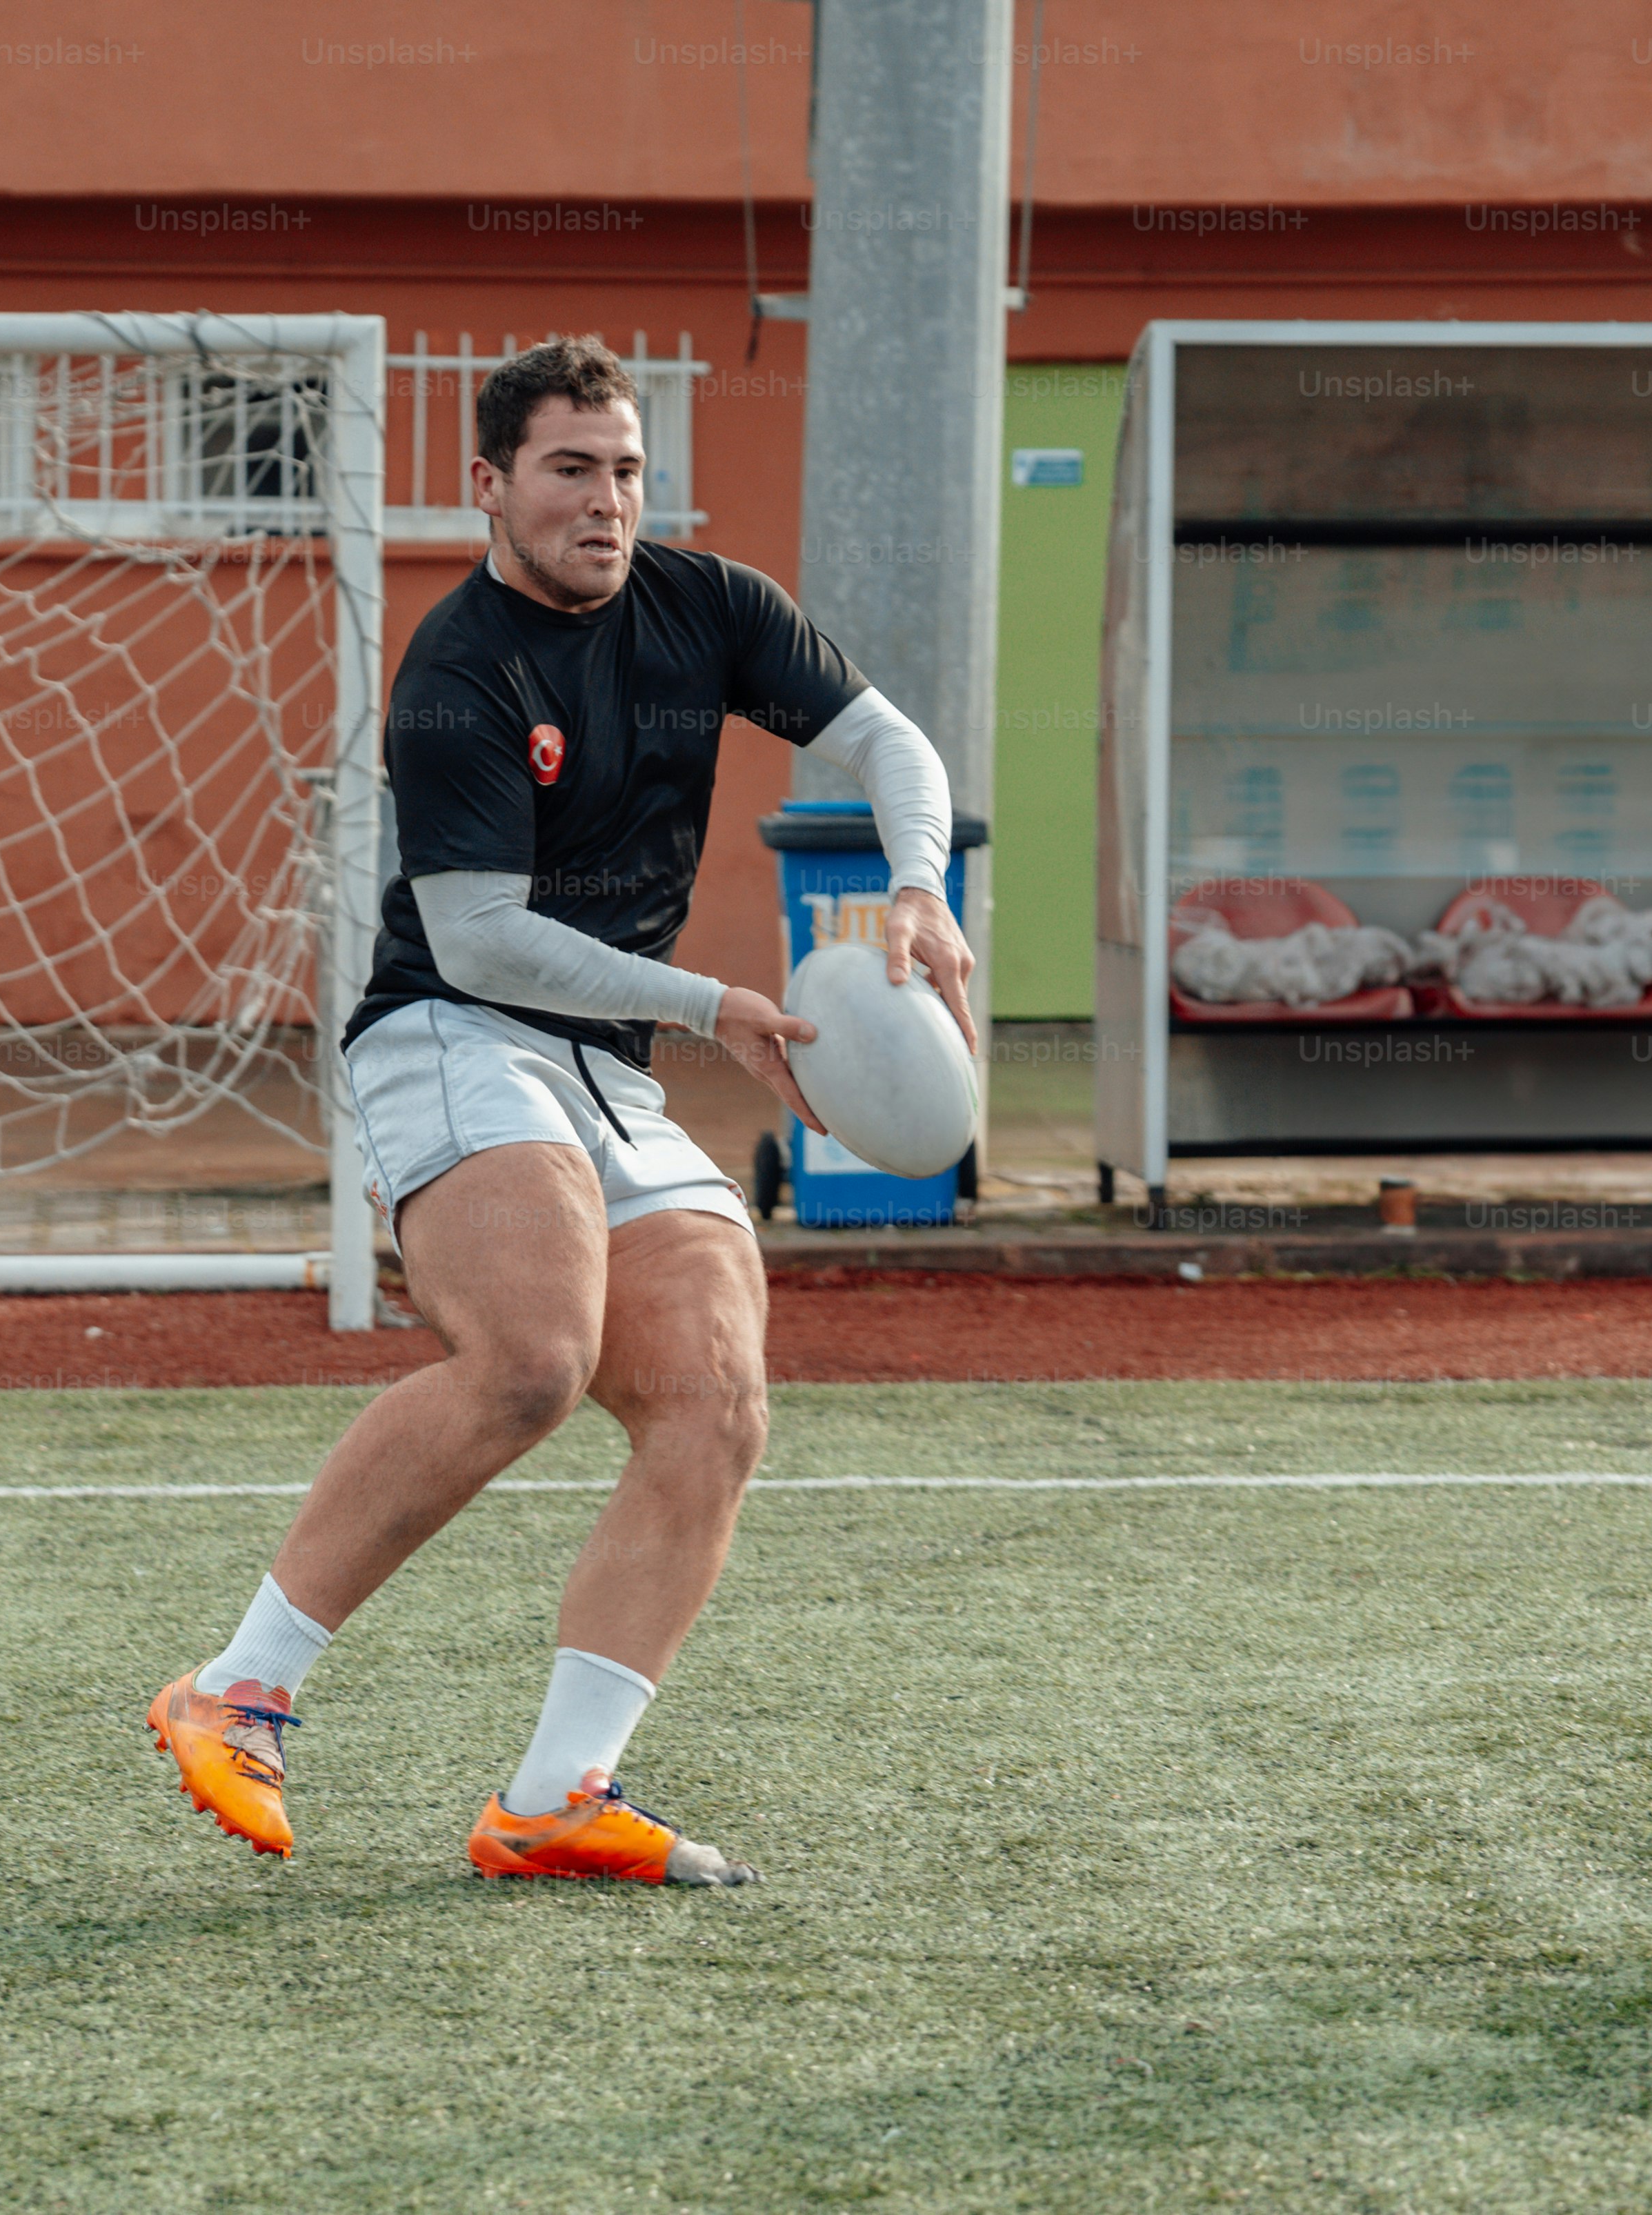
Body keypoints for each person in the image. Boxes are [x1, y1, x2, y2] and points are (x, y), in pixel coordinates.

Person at [146, 337, 971, 1884]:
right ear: (491, 485)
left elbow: (886, 742)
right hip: (454, 1031)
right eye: (570, 470)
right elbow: (479, 940)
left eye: (627, 470)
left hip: (608, 1061)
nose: (607, 501)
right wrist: (714, 1005)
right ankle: (236, 1688)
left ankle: (555, 1797)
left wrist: (916, 890)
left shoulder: (707, 605)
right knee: (532, 1359)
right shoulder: (461, 668)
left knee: (715, 1398)